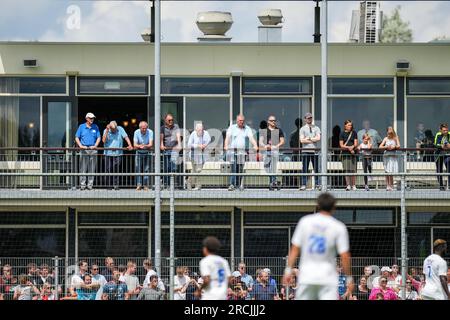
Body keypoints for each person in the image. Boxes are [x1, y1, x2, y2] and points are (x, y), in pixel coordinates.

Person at [283, 193, 354, 300]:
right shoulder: (339, 227)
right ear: (334, 207)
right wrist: (349, 278)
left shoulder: (305, 222)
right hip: (327, 278)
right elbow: (344, 256)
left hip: (307, 277)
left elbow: (295, 249)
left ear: (318, 205)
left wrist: (288, 271)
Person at [224, 114, 258, 191]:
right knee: (233, 168)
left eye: (242, 121)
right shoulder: (232, 128)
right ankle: (232, 184)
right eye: (240, 121)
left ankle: (239, 185)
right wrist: (226, 146)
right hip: (233, 152)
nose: (241, 122)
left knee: (240, 169)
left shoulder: (247, 128)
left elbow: (251, 138)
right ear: (237, 120)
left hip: (242, 153)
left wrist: (255, 145)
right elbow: (227, 137)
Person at [102, 120, 133, 190]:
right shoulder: (106, 130)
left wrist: (130, 145)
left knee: (116, 170)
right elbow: (103, 141)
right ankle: (109, 186)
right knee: (108, 170)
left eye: (115, 129)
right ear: (110, 127)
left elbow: (126, 137)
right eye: (112, 129)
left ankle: (116, 185)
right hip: (108, 154)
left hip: (118, 154)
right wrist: (107, 131)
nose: (114, 130)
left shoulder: (120, 129)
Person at [75, 112, 101, 190]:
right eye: (90, 118)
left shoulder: (95, 127)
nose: (92, 119)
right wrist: (81, 146)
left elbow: (98, 137)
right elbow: (76, 137)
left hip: (93, 150)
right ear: (86, 118)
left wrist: (95, 146)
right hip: (84, 150)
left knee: (92, 169)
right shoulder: (81, 126)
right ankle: (82, 185)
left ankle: (90, 185)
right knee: (83, 168)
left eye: (93, 118)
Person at [259, 115, 285, 190]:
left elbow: (282, 141)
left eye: (274, 120)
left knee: (273, 168)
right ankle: (275, 181)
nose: (273, 122)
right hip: (266, 152)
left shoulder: (279, 130)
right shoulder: (264, 130)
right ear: (268, 122)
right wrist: (265, 145)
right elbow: (260, 141)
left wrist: (276, 146)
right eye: (271, 120)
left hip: (275, 152)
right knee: (266, 167)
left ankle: (272, 184)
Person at [299, 112, 321, 191]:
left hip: (314, 151)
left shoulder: (316, 128)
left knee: (316, 168)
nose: (310, 119)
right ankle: (304, 184)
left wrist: (308, 139)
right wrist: (313, 139)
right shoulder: (302, 129)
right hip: (305, 151)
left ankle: (318, 184)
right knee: (304, 168)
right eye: (308, 118)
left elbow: (318, 138)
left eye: (311, 118)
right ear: (305, 119)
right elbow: (301, 140)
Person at [187, 122, 211, 191]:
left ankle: (196, 185)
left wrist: (204, 145)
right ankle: (193, 184)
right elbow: (189, 144)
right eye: (199, 130)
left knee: (198, 171)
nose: (201, 132)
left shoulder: (205, 133)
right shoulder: (193, 134)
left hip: (202, 156)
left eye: (202, 130)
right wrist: (198, 146)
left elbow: (208, 140)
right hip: (193, 155)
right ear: (196, 130)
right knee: (195, 171)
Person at [160, 113, 182, 189]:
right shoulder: (162, 128)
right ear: (165, 120)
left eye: (172, 120)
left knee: (173, 168)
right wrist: (161, 145)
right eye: (169, 120)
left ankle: (172, 184)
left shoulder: (176, 126)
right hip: (166, 149)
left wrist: (179, 144)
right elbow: (161, 138)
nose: (171, 121)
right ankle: (167, 184)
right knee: (167, 168)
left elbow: (178, 135)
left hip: (174, 149)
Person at [133, 121, 153, 191]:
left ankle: (145, 185)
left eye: (145, 128)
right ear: (140, 128)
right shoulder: (136, 132)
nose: (144, 130)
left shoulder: (150, 132)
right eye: (143, 128)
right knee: (138, 169)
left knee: (146, 169)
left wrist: (144, 146)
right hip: (138, 152)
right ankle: (139, 185)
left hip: (147, 152)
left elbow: (151, 144)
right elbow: (134, 145)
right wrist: (140, 146)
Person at [339, 120, 358, 191]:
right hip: (345, 154)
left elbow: (356, 143)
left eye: (351, 125)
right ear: (345, 126)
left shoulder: (354, 133)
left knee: (353, 170)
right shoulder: (342, 133)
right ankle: (348, 185)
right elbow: (341, 145)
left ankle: (353, 185)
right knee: (347, 170)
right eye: (349, 125)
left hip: (353, 154)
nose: (350, 126)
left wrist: (352, 147)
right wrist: (349, 148)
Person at [379, 126, 400, 191]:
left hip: (392, 156)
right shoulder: (385, 138)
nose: (389, 132)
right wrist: (386, 147)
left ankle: (391, 185)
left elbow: (399, 146)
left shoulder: (395, 138)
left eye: (391, 130)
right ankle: (387, 185)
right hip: (386, 156)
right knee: (386, 171)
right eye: (388, 130)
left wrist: (394, 147)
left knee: (390, 171)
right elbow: (380, 146)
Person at [434, 123, 450, 191]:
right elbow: (435, 144)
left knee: (449, 167)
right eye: (444, 130)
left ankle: (449, 184)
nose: (446, 132)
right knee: (439, 170)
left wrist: (447, 146)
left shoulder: (449, 134)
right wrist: (441, 146)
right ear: (440, 130)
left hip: (447, 154)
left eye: (446, 130)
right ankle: (441, 185)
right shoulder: (438, 134)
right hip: (439, 154)